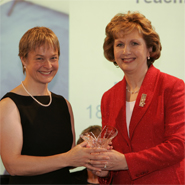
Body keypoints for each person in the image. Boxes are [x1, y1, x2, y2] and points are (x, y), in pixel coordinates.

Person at [0, 27, 107, 184]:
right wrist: (67, 158)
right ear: (23, 59)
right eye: (39, 58)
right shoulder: (9, 105)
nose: (48, 65)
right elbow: (13, 165)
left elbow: (71, 158)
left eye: (53, 58)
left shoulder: (64, 105)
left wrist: (92, 155)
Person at [89, 11, 185, 184]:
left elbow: (178, 146)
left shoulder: (172, 87)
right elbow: (111, 152)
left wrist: (126, 162)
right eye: (119, 44)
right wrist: (104, 170)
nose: (126, 51)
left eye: (134, 43)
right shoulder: (108, 98)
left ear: (149, 49)